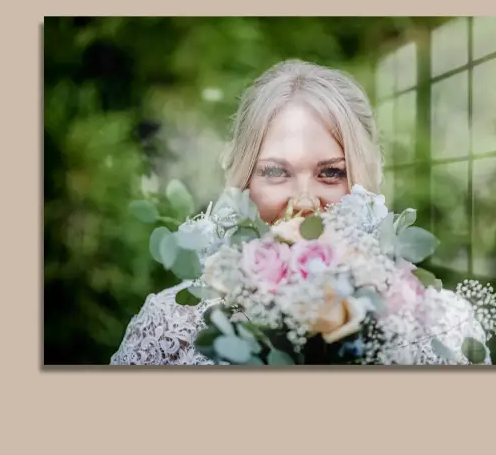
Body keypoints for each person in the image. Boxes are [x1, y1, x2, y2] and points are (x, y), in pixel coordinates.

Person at [110, 59, 384, 365]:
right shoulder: (171, 327)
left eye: (331, 173)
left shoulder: (409, 321)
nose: (305, 202)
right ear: (244, 182)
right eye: (276, 172)